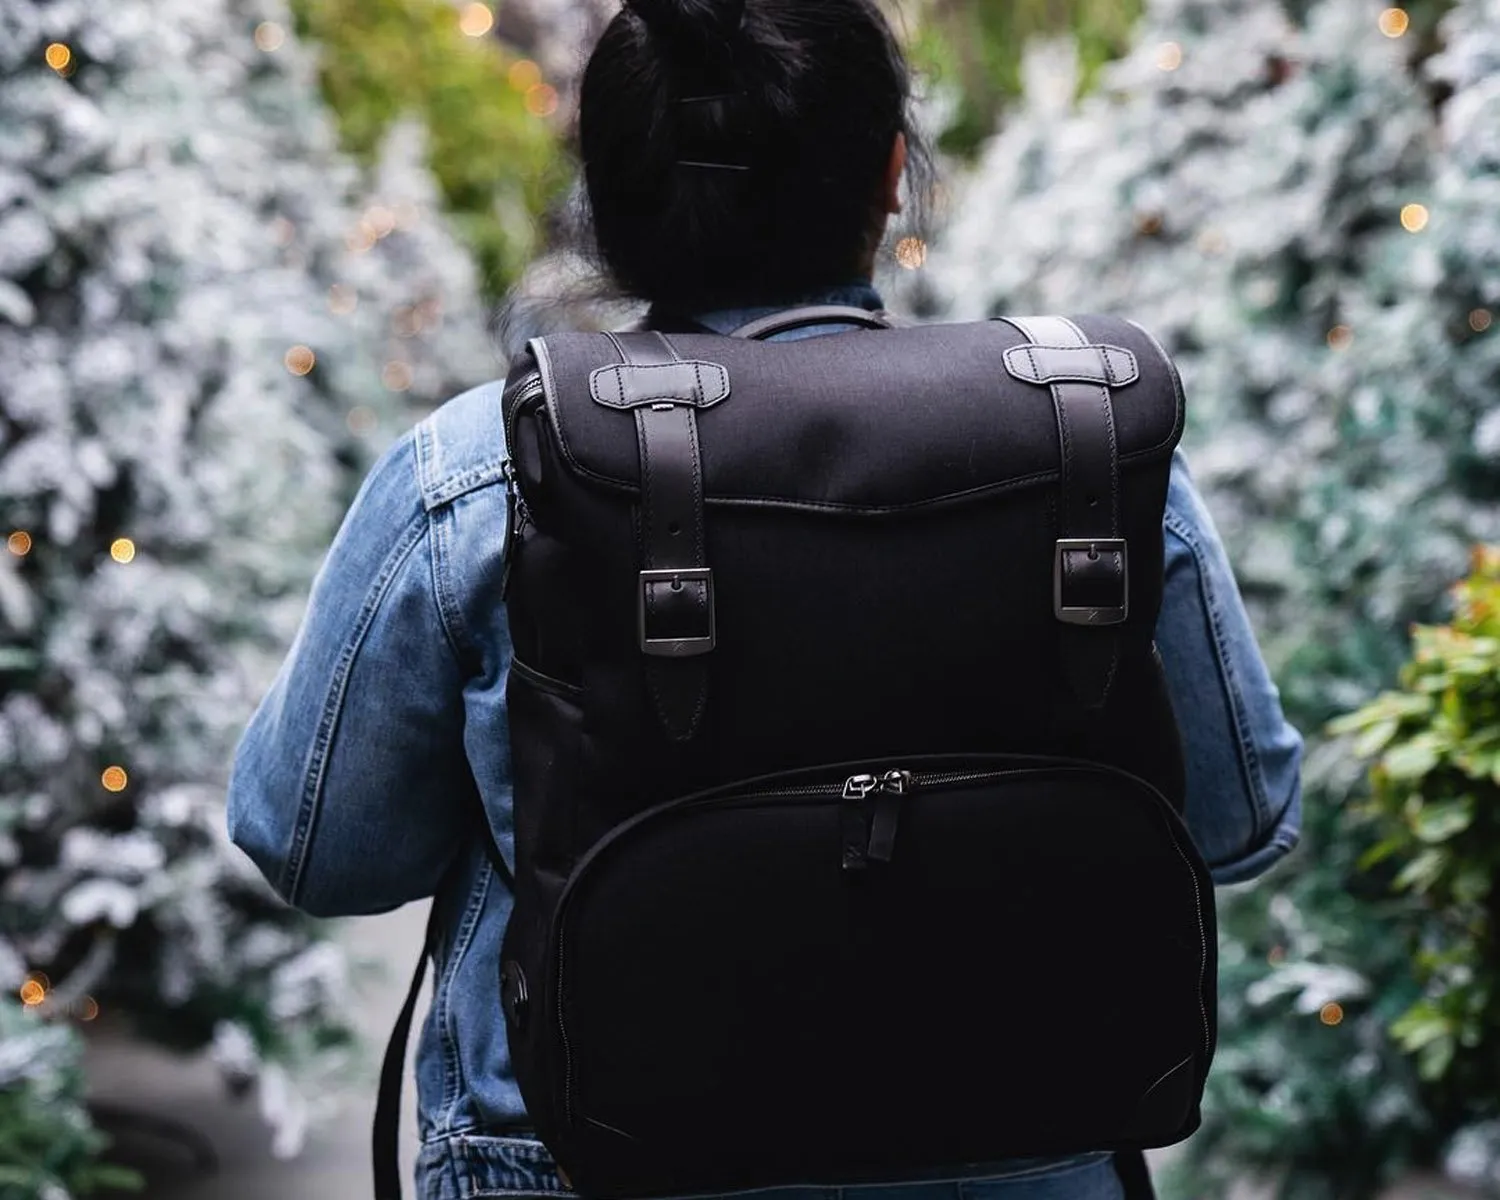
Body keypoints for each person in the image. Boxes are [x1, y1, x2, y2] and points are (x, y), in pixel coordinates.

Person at [227, 1, 1305, 1197]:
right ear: (894, 173)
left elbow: (314, 848)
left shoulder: (484, 470)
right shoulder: (1078, 442)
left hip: (581, 1158)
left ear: (606, 191)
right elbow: (1238, 819)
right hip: (1021, 1155)